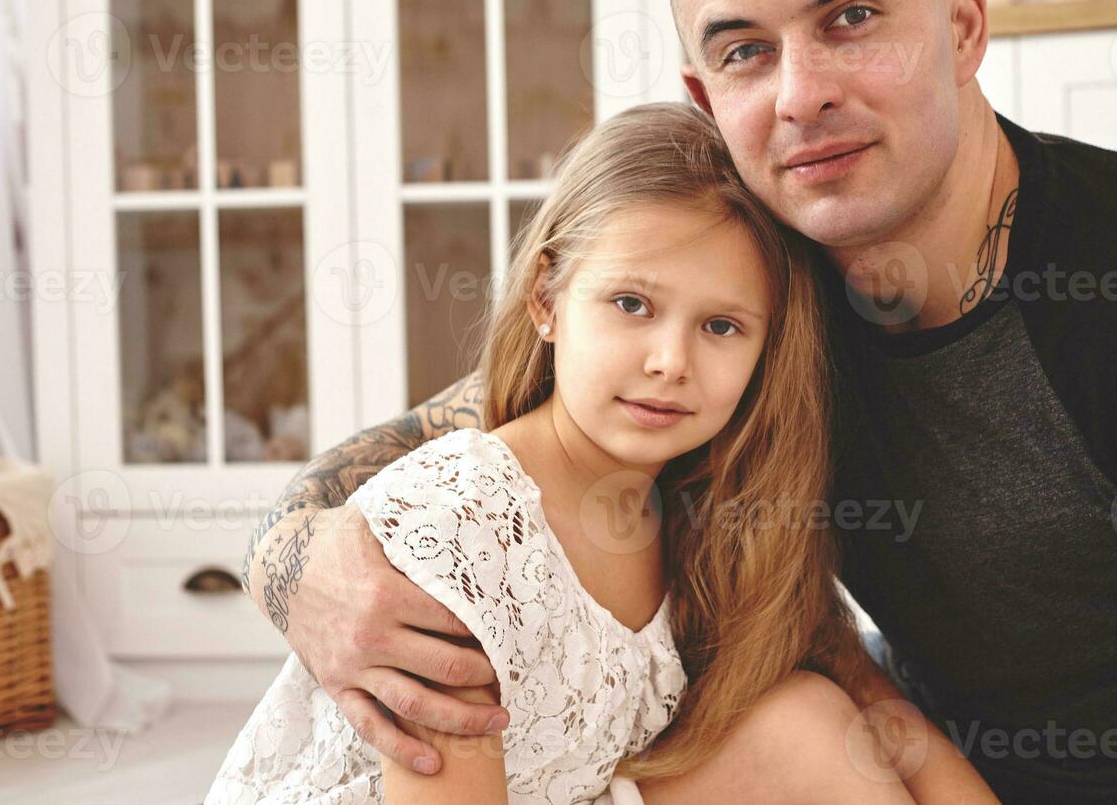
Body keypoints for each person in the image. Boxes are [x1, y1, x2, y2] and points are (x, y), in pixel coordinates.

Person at [242, 0, 1117, 804]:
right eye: (746, 49)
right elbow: (441, 454)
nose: (800, 91)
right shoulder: (754, 289)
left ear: (963, 27)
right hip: (909, 772)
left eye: (851, 16)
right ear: (709, 98)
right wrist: (301, 571)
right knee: (769, 717)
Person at [210, 101, 997, 803]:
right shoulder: (468, 518)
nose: (670, 361)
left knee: (813, 724)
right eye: (632, 304)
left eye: (721, 326)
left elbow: (871, 704)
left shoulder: (699, 505)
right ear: (546, 300)